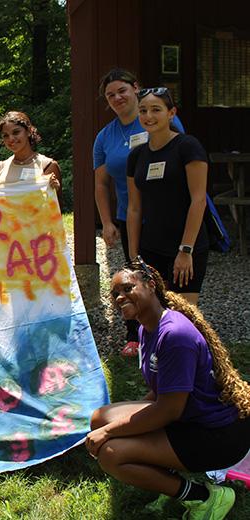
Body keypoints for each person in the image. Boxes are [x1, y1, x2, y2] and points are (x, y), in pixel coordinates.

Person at [88, 258, 250, 520]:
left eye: (127, 288)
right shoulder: (146, 328)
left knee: (111, 454)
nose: (119, 297)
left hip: (216, 435)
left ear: (151, 285)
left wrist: (114, 431)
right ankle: (164, 474)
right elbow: (163, 390)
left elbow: (169, 410)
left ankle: (204, 497)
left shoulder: (174, 335)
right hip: (186, 415)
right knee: (100, 418)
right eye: (115, 293)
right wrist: (128, 423)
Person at [93, 69, 184, 356]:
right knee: (134, 280)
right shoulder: (105, 137)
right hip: (130, 215)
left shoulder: (159, 119)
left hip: (167, 214)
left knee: (170, 279)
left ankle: (175, 335)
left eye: (122, 90)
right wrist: (106, 222)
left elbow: (183, 162)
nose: (117, 98)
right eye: (111, 95)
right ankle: (136, 336)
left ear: (136, 88)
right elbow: (101, 183)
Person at [126, 87, 209, 306]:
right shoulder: (136, 156)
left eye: (156, 109)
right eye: (143, 110)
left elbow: (198, 200)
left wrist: (186, 250)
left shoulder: (188, 147)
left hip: (185, 246)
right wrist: (135, 256)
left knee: (182, 316)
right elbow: (134, 208)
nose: (148, 116)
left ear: (171, 113)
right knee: (151, 313)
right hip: (150, 247)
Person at [0, 111, 62, 207]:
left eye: (16, 132)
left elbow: (56, 209)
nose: (11, 139)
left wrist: (55, 189)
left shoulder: (48, 165)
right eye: (5, 135)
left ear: (28, 131)